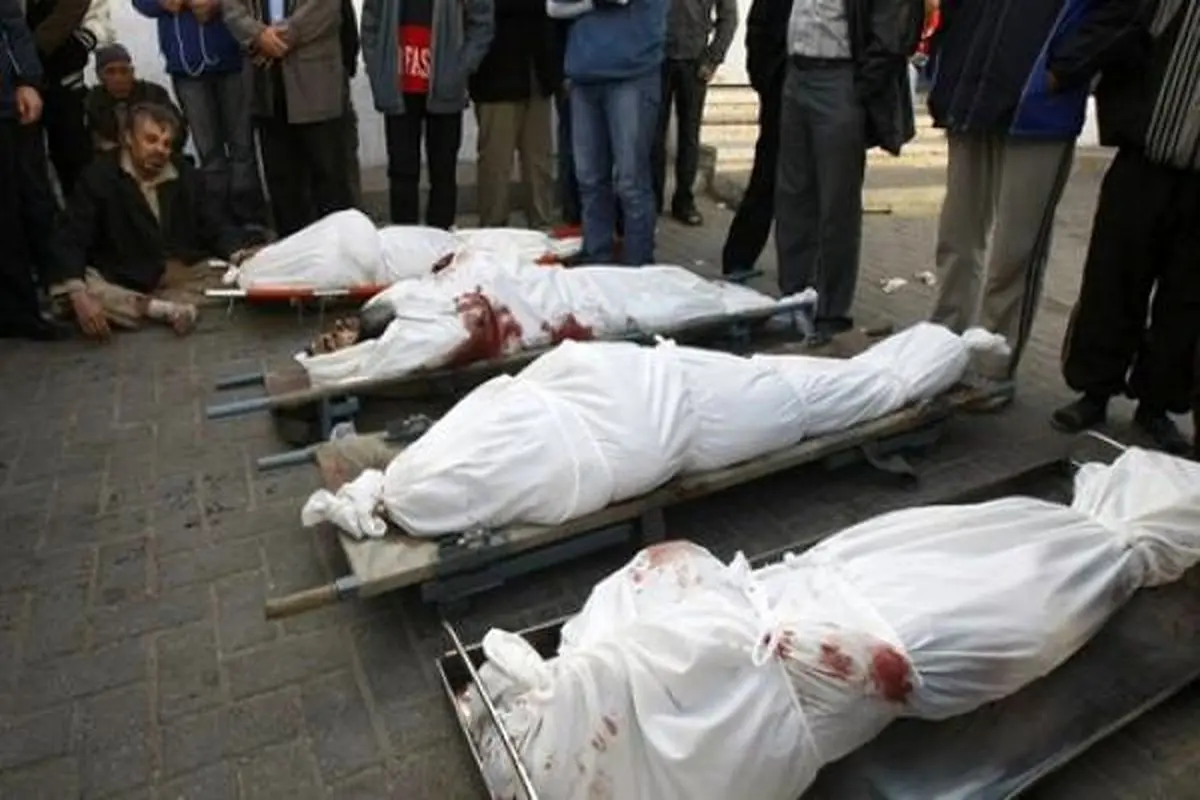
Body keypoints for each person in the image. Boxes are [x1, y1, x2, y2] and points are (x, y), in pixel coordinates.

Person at [926, 0, 1147, 408]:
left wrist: (1061, 69)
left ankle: (992, 366)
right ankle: (939, 343)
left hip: (1038, 107)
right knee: (957, 238)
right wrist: (946, 63)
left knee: (1016, 252)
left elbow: (1119, 14)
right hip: (971, 94)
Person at [1051, 0, 1200, 456]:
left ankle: (1157, 405)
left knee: (1186, 299)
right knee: (1113, 277)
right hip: (1142, 157)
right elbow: (1117, 24)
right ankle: (1094, 391)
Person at [775, 0, 922, 338]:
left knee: (837, 202)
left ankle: (831, 310)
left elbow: (892, 28)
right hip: (797, 74)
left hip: (839, 79)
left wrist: (862, 87)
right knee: (793, 196)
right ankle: (794, 296)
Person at [46, 103, 258, 339]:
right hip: (123, 276)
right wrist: (77, 292)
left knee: (243, 274)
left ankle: (144, 307)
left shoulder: (184, 174)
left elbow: (214, 223)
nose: (160, 150)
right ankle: (160, 309)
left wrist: (239, 254)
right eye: (151, 140)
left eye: (166, 144)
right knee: (71, 289)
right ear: (128, 138)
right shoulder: (99, 176)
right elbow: (72, 236)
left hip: (180, 273)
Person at [549, 0, 669, 267]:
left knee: (630, 180)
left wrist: (581, 5)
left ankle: (638, 265)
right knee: (589, 178)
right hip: (584, 75)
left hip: (632, 74)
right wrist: (595, 3)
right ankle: (596, 254)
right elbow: (553, 7)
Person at [221, 0, 354, 236]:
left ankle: (338, 248)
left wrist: (281, 36)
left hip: (316, 82)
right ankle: (293, 250)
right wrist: (258, 35)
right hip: (266, 86)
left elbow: (325, 8)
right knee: (282, 182)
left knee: (329, 179)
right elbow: (232, 8)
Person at [362, 0, 494, 229]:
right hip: (399, 89)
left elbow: (482, 22)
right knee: (401, 172)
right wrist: (378, 69)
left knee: (443, 171)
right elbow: (370, 23)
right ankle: (405, 240)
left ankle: (440, 239)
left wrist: (462, 67)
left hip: (445, 88)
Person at [133, 0, 265, 227]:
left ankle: (251, 219)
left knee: (242, 146)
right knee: (209, 152)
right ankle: (220, 223)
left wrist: (219, 3)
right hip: (185, 65)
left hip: (231, 58)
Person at [0, 0, 67, 340]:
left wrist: (26, 80)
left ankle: (21, 311)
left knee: (16, 208)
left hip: (5, 105)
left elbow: (12, 23)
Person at [470, 0, 561, 229]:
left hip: (537, 74)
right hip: (495, 74)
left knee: (539, 163)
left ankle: (541, 228)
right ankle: (493, 232)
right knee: (496, 163)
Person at [719, 0, 792, 278]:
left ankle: (804, 274)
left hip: (819, 90)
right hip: (780, 88)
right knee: (766, 177)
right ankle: (738, 260)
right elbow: (758, 27)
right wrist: (765, 79)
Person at [650, 0, 736, 226]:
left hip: (695, 61)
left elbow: (729, 16)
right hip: (657, 58)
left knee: (689, 134)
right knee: (653, 134)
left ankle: (684, 200)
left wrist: (714, 57)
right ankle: (652, 199)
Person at [25, 0, 113, 199]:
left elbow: (100, 20)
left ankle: (82, 214)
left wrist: (81, 43)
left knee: (74, 163)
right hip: (20, 88)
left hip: (66, 84)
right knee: (27, 168)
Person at [84, 44, 187, 153]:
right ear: (100, 76)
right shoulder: (92, 101)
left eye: (124, 71)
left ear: (132, 72)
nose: (118, 78)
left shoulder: (154, 95)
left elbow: (178, 131)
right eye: (110, 72)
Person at [340, 0, 363, 205]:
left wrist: (346, 68)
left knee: (342, 153)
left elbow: (348, 30)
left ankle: (352, 211)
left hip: (332, 78)